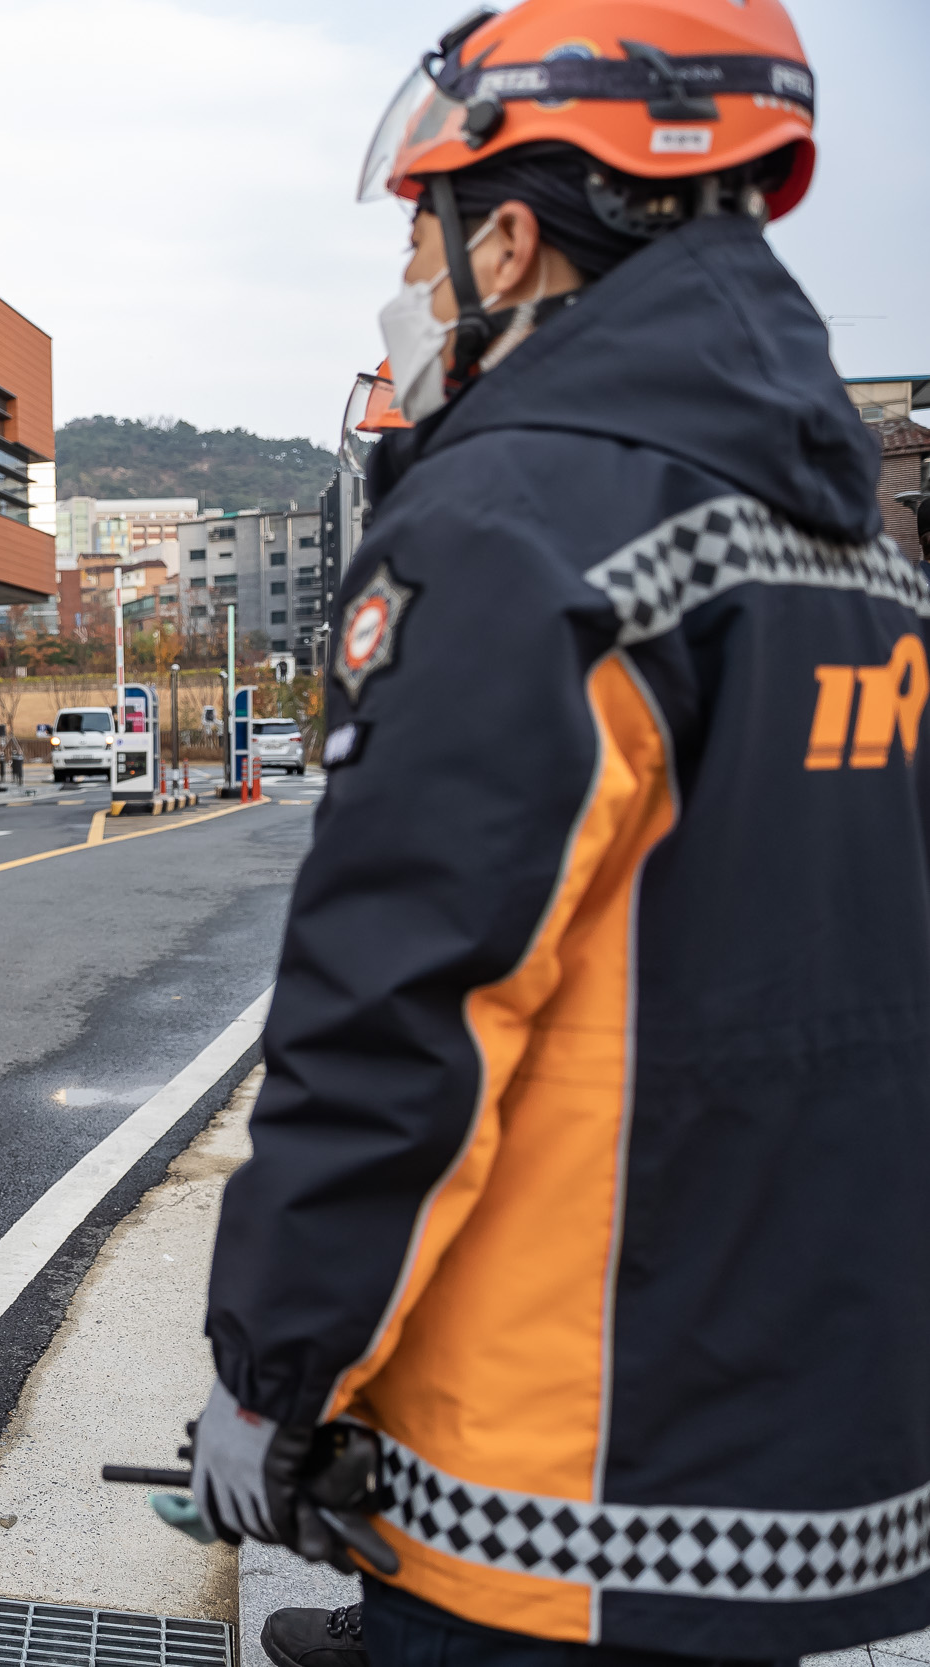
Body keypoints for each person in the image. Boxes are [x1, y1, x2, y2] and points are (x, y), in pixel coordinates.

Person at [190, 2, 930, 1664]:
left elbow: (399, 1012)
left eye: (424, 239)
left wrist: (272, 1372)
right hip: (806, 1469)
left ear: (512, 238)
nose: (417, 280)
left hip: (560, 1492)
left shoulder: (521, 522)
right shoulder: (857, 539)